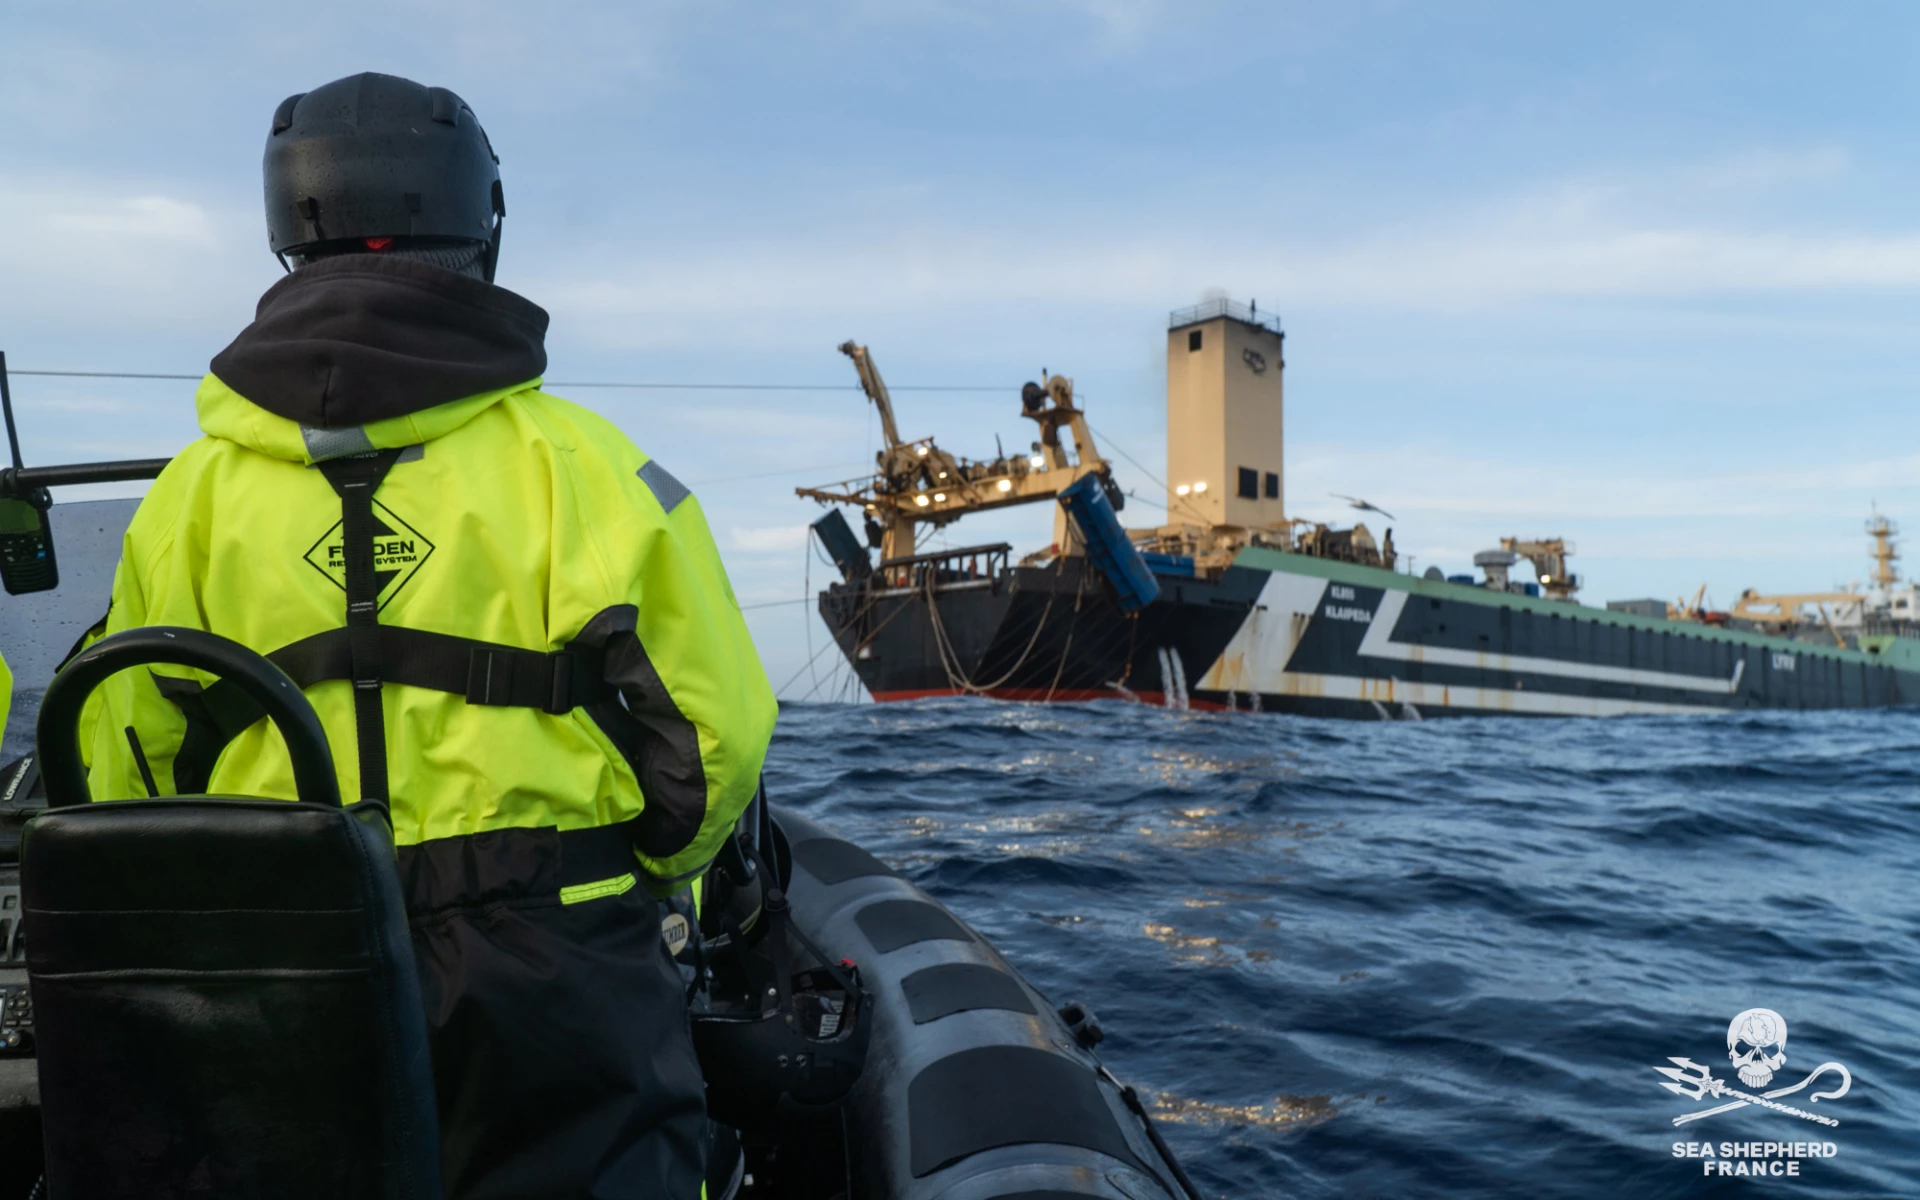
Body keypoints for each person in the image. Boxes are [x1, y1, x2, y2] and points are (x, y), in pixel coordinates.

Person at [77, 71, 776, 1199]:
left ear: (286, 234)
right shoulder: (591, 465)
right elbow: (716, 735)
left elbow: (126, 754)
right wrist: (637, 877)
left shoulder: (186, 500)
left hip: (283, 945)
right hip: (555, 949)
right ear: (482, 226)